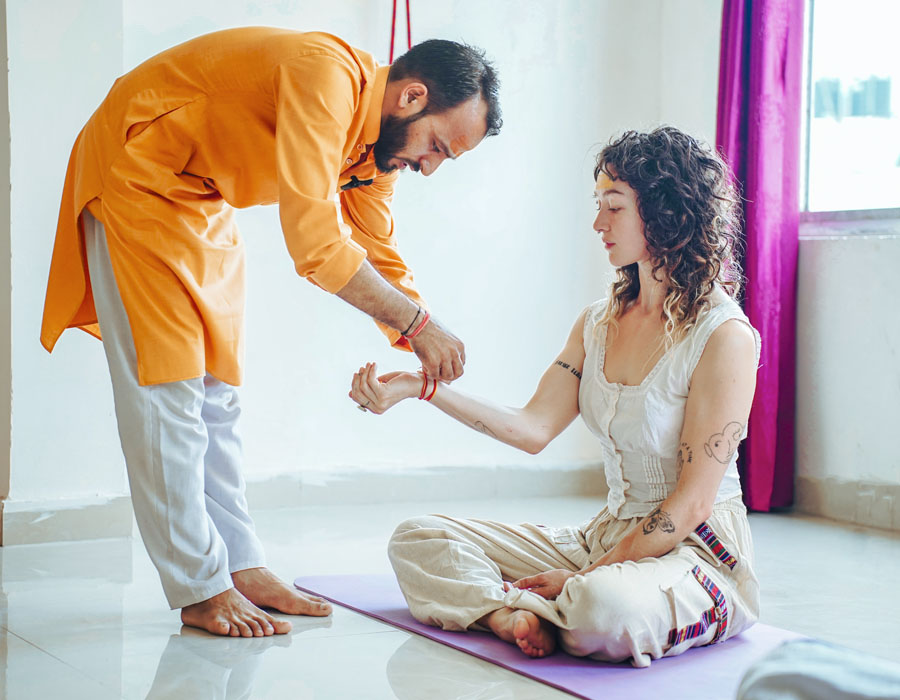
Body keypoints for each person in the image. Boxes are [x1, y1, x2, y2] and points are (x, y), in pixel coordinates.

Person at [40, 27, 502, 638]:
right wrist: (418, 326)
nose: (430, 168)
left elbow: (375, 248)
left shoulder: (377, 154)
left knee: (219, 393)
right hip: (139, 173)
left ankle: (241, 563)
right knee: (169, 390)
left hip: (201, 199)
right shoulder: (327, 76)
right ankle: (200, 588)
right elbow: (315, 244)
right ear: (411, 98)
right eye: (439, 148)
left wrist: (417, 335)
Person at [349, 126, 760, 667]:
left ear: (665, 211)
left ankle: (547, 606)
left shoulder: (723, 335)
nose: (598, 224)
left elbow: (691, 505)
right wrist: (420, 388)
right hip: (605, 535)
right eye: (598, 206)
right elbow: (532, 428)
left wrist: (588, 576)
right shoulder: (597, 322)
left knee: (603, 604)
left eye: (613, 207)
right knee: (419, 538)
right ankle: (510, 615)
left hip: (694, 550)